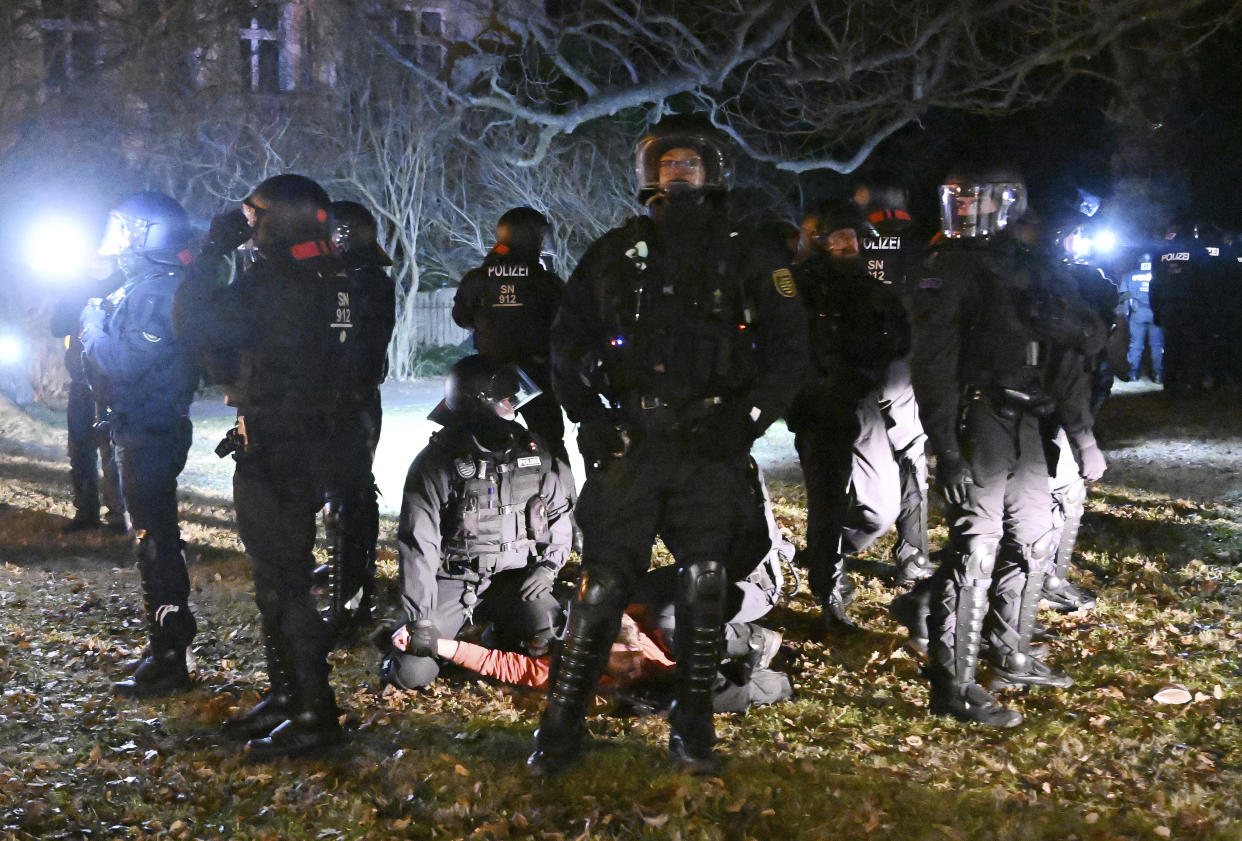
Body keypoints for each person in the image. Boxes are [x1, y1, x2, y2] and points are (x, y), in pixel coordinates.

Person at [527, 113, 808, 775]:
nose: (678, 173)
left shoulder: (750, 250)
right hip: (634, 439)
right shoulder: (616, 251)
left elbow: (790, 348)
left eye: (690, 162)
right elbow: (567, 339)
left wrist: (748, 420)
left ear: (712, 170)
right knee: (602, 584)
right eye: (668, 162)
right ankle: (561, 728)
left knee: (705, 580)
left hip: (711, 442)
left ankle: (694, 726)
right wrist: (586, 415)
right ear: (649, 171)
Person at [904, 166, 1105, 728]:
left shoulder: (1030, 265)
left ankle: (1009, 650)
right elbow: (933, 362)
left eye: (978, 201)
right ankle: (955, 684)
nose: (967, 211)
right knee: (976, 549)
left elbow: (1073, 347)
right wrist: (945, 446)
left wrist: (1082, 432)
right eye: (959, 201)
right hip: (978, 418)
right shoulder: (948, 266)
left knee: (1036, 539)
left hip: (1025, 421)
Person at [173, 174, 354, 759]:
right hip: (317, 433)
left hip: (279, 439)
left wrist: (210, 251)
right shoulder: (333, 277)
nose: (245, 223)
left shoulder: (278, 283)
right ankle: (287, 695)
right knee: (279, 577)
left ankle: (312, 712)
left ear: (279, 221)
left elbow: (192, 321)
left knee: (285, 580)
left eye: (253, 216)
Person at [374, 354, 572, 689]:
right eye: (506, 401)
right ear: (477, 406)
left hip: (516, 578)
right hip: (453, 580)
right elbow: (417, 546)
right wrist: (420, 618)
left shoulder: (534, 453)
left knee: (553, 641)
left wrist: (549, 566)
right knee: (412, 675)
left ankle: (495, 634)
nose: (514, 408)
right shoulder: (436, 464)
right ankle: (392, 641)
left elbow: (558, 514)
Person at [79, 192, 202, 696]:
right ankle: (163, 642)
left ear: (150, 234)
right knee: (151, 540)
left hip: (149, 431)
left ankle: (170, 653)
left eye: (130, 230)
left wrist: (89, 325)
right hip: (140, 426)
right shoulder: (149, 285)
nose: (122, 239)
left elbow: (124, 362)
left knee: (156, 543)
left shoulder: (158, 291)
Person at [788, 201, 928, 633]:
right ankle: (827, 594)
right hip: (818, 408)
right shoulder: (797, 287)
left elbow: (900, 343)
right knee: (826, 502)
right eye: (837, 237)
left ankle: (823, 555)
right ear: (821, 241)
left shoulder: (875, 290)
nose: (847, 244)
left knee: (880, 508)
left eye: (852, 236)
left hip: (863, 403)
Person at [320, 200, 396, 641]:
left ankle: (351, 598)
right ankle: (346, 577)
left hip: (350, 404)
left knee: (349, 498)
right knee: (343, 494)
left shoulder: (362, 283)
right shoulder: (362, 280)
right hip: (348, 402)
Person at [452, 207, 569, 471]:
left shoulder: (478, 279)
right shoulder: (546, 282)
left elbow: (461, 318)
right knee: (551, 444)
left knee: (484, 443)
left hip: (488, 380)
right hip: (537, 378)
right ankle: (559, 498)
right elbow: (565, 325)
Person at [50, 268, 126, 534]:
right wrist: (71, 295)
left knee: (111, 451)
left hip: (111, 383)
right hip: (81, 384)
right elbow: (57, 327)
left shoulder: (123, 280)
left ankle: (118, 516)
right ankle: (86, 512)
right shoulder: (76, 284)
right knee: (80, 449)